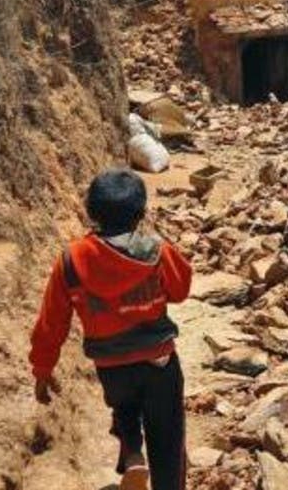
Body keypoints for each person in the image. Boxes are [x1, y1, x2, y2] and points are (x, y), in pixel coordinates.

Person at [30, 168, 193, 490]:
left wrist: (42, 367)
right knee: (168, 435)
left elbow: (52, 320)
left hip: (111, 364)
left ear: (91, 212)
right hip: (159, 361)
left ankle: (133, 453)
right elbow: (180, 290)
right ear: (141, 213)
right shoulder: (156, 252)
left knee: (124, 407)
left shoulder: (71, 260)